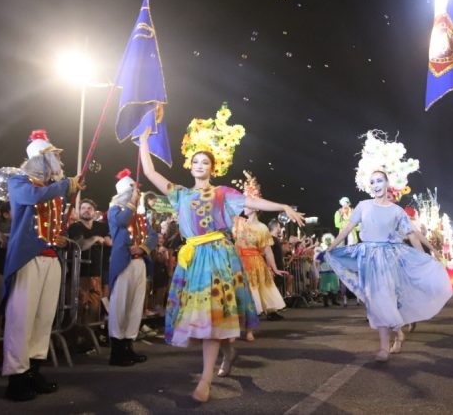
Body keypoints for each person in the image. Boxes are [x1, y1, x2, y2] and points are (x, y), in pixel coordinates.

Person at [139, 132, 304, 403]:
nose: (200, 165)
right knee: (203, 319)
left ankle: (205, 380)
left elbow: (252, 202)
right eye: (196, 162)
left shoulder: (223, 193)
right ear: (190, 167)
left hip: (217, 258)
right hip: (193, 260)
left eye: (205, 162)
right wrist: (143, 140)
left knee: (212, 316)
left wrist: (282, 206)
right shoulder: (179, 194)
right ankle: (228, 353)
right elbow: (149, 171)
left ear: (212, 168)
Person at [327, 170, 453, 362]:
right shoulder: (363, 206)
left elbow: (412, 233)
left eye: (379, 180)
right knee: (376, 300)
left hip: (390, 260)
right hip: (369, 260)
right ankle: (390, 339)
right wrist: (332, 246)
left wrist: (427, 254)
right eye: (372, 182)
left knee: (387, 298)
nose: (375, 184)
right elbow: (347, 228)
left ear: (387, 183)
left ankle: (387, 345)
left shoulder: (397, 211)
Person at [1, 129, 84, 401]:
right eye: (54, 156)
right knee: (21, 320)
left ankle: (33, 369)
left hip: (51, 258)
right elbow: (32, 199)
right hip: (28, 258)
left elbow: (52, 225)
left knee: (43, 319)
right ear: (40, 159)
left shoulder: (55, 190)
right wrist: (65, 186)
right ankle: (16, 377)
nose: (59, 160)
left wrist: (60, 238)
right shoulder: (19, 180)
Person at [107, 169, 157, 366]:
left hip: (139, 263)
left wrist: (144, 247)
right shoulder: (115, 211)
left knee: (136, 306)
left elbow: (152, 236)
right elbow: (121, 221)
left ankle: (129, 346)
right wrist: (131, 203)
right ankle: (117, 351)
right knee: (120, 306)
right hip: (123, 264)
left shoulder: (140, 217)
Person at [232, 171, 289, 339]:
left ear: (257, 206)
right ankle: (235, 329)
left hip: (255, 264)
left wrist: (275, 268)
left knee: (252, 297)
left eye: (248, 205)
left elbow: (267, 250)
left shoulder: (263, 228)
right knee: (237, 296)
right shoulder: (236, 222)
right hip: (238, 263)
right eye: (244, 205)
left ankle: (249, 330)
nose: (245, 208)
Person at [67, 198, 111, 348]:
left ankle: (89, 340)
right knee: (78, 306)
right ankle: (74, 340)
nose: (86, 210)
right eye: (83, 208)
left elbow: (110, 241)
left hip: (97, 272)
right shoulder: (75, 227)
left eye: (89, 208)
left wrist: (106, 239)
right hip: (79, 273)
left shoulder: (102, 227)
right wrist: (94, 239)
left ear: (94, 212)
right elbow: (80, 245)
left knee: (94, 307)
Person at [267, 219, 294, 297]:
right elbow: (268, 254)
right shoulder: (270, 239)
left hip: (278, 268)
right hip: (273, 269)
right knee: (273, 289)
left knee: (277, 287)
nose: (280, 228)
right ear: (275, 227)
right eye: (279, 226)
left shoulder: (276, 239)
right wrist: (271, 269)